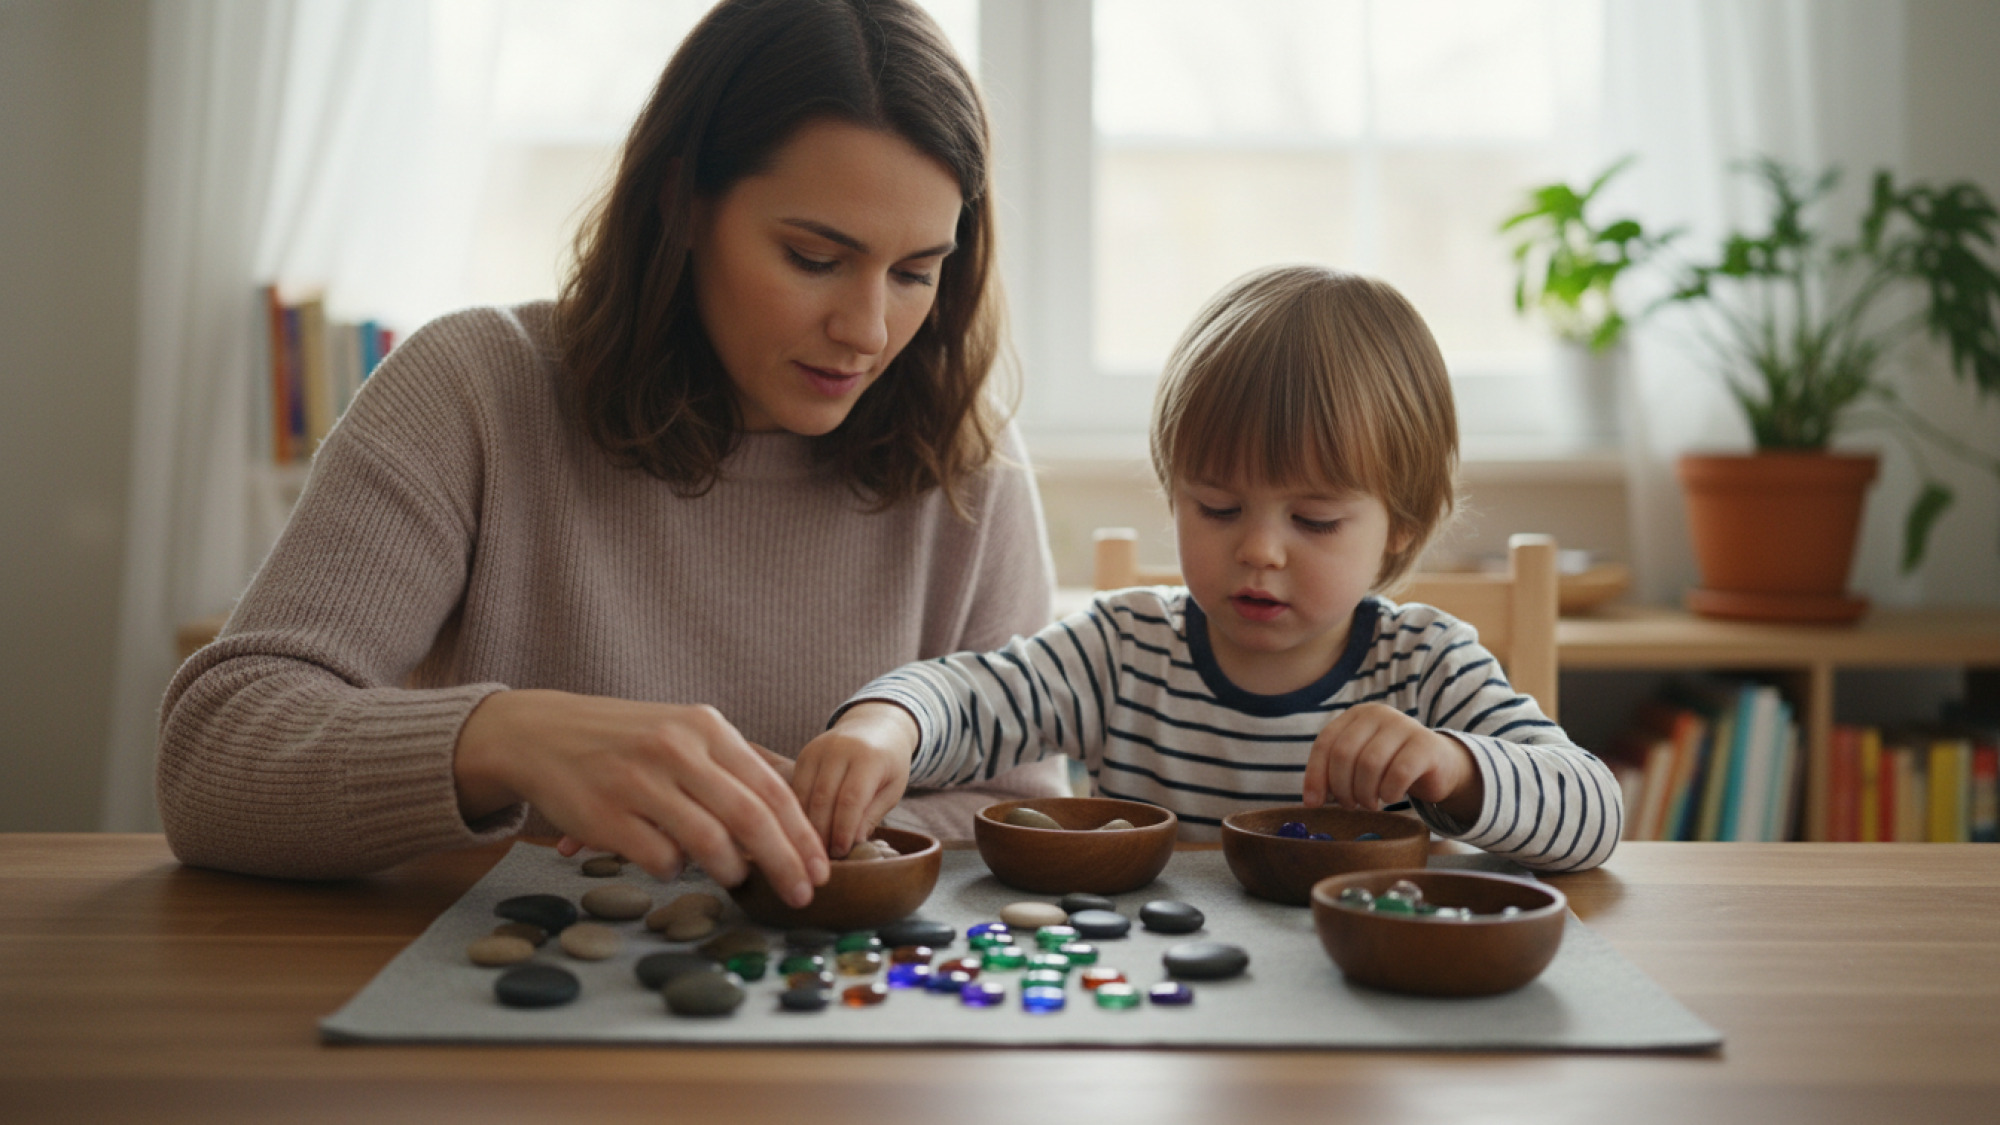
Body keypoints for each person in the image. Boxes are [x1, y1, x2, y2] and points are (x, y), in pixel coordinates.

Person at [155, 0, 1071, 898]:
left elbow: (1019, 813)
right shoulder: (476, 391)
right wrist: (507, 737)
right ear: (680, 203)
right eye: (814, 259)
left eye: (915, 272)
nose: (869, 329)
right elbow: (209, 764)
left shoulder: (968, 461)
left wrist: (769, 827)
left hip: (852, 1024)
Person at [795, 265, 1622, 872]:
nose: (1260, 549)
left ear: (1398, 531)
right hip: (1165, 1003)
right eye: (1217, 508)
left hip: (1361, 1000)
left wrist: (1454, 764)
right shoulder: (1126, 648)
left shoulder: (1424, 665)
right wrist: (887, 724)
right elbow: (975, 695)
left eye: (1315, 519)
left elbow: (1594, 813)